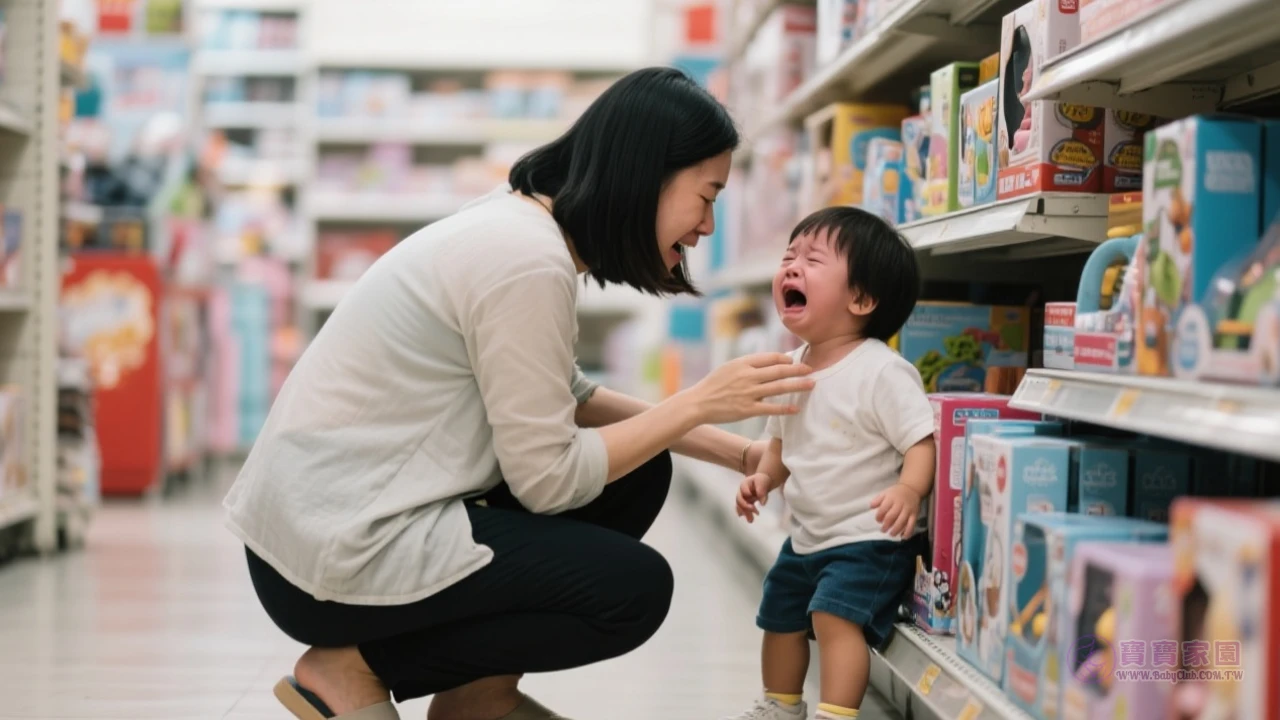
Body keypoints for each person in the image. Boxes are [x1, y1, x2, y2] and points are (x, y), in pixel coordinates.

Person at [222, 66, 816, 720]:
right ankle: (351, 668)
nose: (707, 225)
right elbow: (549, 482)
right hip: (330, 553)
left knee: (639, 474)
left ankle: (477, 698)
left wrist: (738, 452)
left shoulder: (519, 228)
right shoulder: (525, 260)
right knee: (632, 590)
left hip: (327, 520)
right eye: (706, 196)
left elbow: (568, 396)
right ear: (646, 175)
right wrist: (696, 402)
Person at [726, 207, 936, 720]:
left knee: (833, 617)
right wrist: (763, 478)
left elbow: (921, 441)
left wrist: (909, 491)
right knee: (778, 614)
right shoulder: (790, 367)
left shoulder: (882, 371)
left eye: (812, 260)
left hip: (870, 539)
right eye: (788, 257)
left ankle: (837, 713)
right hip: (808, 536)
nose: (791, 267)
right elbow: (780, 443)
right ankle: (780, 705)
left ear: (860, 299)